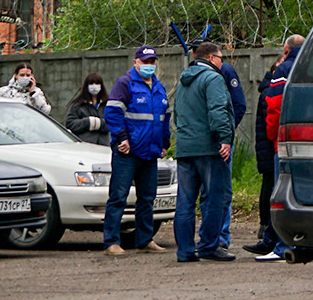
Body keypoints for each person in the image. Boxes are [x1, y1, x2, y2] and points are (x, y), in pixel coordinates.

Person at [102, 46, 170, 255]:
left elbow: (164, 119)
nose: (149, 66)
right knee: (118, 197)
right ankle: (111, 242)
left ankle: (145, 240)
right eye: (145, 61)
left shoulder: (158, 87)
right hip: (128, 152)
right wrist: (121, 138)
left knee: (147, 199)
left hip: (150, 152)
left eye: (152, 62)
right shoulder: (125, 84)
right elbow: (112, 113)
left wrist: (165, 144)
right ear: (136, 62)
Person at [172, 40, 235, 262]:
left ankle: (185, 251)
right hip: (209, 149)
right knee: (218, 196)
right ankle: (209, 246)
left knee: (185, 201)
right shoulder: (213, 79)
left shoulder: (183, 81)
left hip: (185, 149)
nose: (222, 62)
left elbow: (177, 116)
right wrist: (225, 139)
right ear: (210, 58)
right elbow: (218, 111)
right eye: (220, 58)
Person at [245, 34, 302, 260]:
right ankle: (304, 246)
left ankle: (279, 246)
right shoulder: (311, 67)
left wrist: (274, 137)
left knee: (280, 194)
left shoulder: (283, 70)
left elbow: (275, 109)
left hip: (283, 141)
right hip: (307, 141)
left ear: (286, 50)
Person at [215, 50, 246, 254]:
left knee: (223, 187)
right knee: (208, 190)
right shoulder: (195, 71)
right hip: (205, 141)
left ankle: (222, 236)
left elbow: (239, 105)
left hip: (223, 140)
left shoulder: (225, 71)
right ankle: (210, 236)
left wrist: (227, 131)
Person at [65, 71, 111, 146]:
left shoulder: (108, 104)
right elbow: (70, 123)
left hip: (104, 145)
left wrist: (99, 123)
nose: (94, 86)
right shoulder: (77, 104)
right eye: (91, 84)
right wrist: (88, 122)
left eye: (97, 84)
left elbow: (113, 122)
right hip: (85, 146)